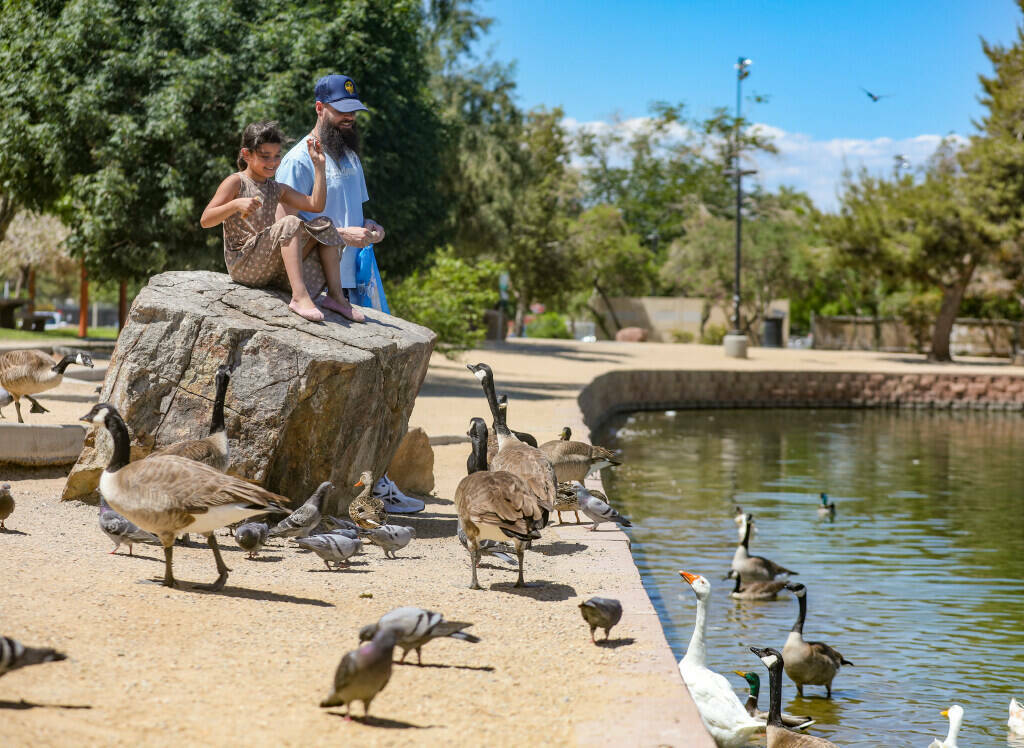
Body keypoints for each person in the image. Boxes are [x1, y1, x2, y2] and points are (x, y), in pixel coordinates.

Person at [201, 121, 349, 323]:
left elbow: (316, 205)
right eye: (265, 156)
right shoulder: (236, 182)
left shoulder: (276, 188)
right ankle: (299, 296)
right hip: (244, 264)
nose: (272, 162)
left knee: (324, 225)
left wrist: (319, 167)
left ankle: (336, 296)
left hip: (269, 268)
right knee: (290, 222)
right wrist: (235, 205)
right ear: (247, 154)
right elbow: (205, 220)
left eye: (276, 155)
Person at [276, 74, 386, 324]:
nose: (350, 118)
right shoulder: (298, 160)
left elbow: (351, 211)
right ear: (319, 108)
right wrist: (342, 235)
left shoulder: (351, 157)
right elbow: (282, 227)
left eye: (353, 111)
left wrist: (369, 226)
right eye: (341, 111)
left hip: (352, 284)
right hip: (315, 286)